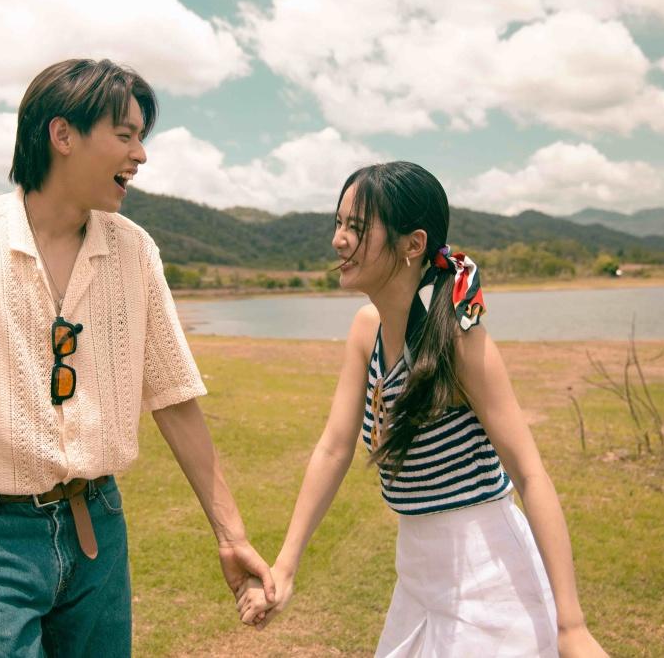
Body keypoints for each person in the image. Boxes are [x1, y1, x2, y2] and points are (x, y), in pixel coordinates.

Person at [0, 58, 274, 657]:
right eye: (125, 135)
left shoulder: (135, 251)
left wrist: (231, 534)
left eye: (141, 137)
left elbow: (173, 398)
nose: (140, 155)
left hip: (99, 530)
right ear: (62, 134)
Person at [236, 161, 606, 657]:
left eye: (357, 227)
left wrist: (572, 625)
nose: (338, 240)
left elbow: (530, 474)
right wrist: (285, 566)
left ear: (413, 244)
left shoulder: (458, 342)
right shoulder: (365, 330)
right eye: (339, 223)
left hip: (488, 576)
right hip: (416, 577)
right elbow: (333, 449)